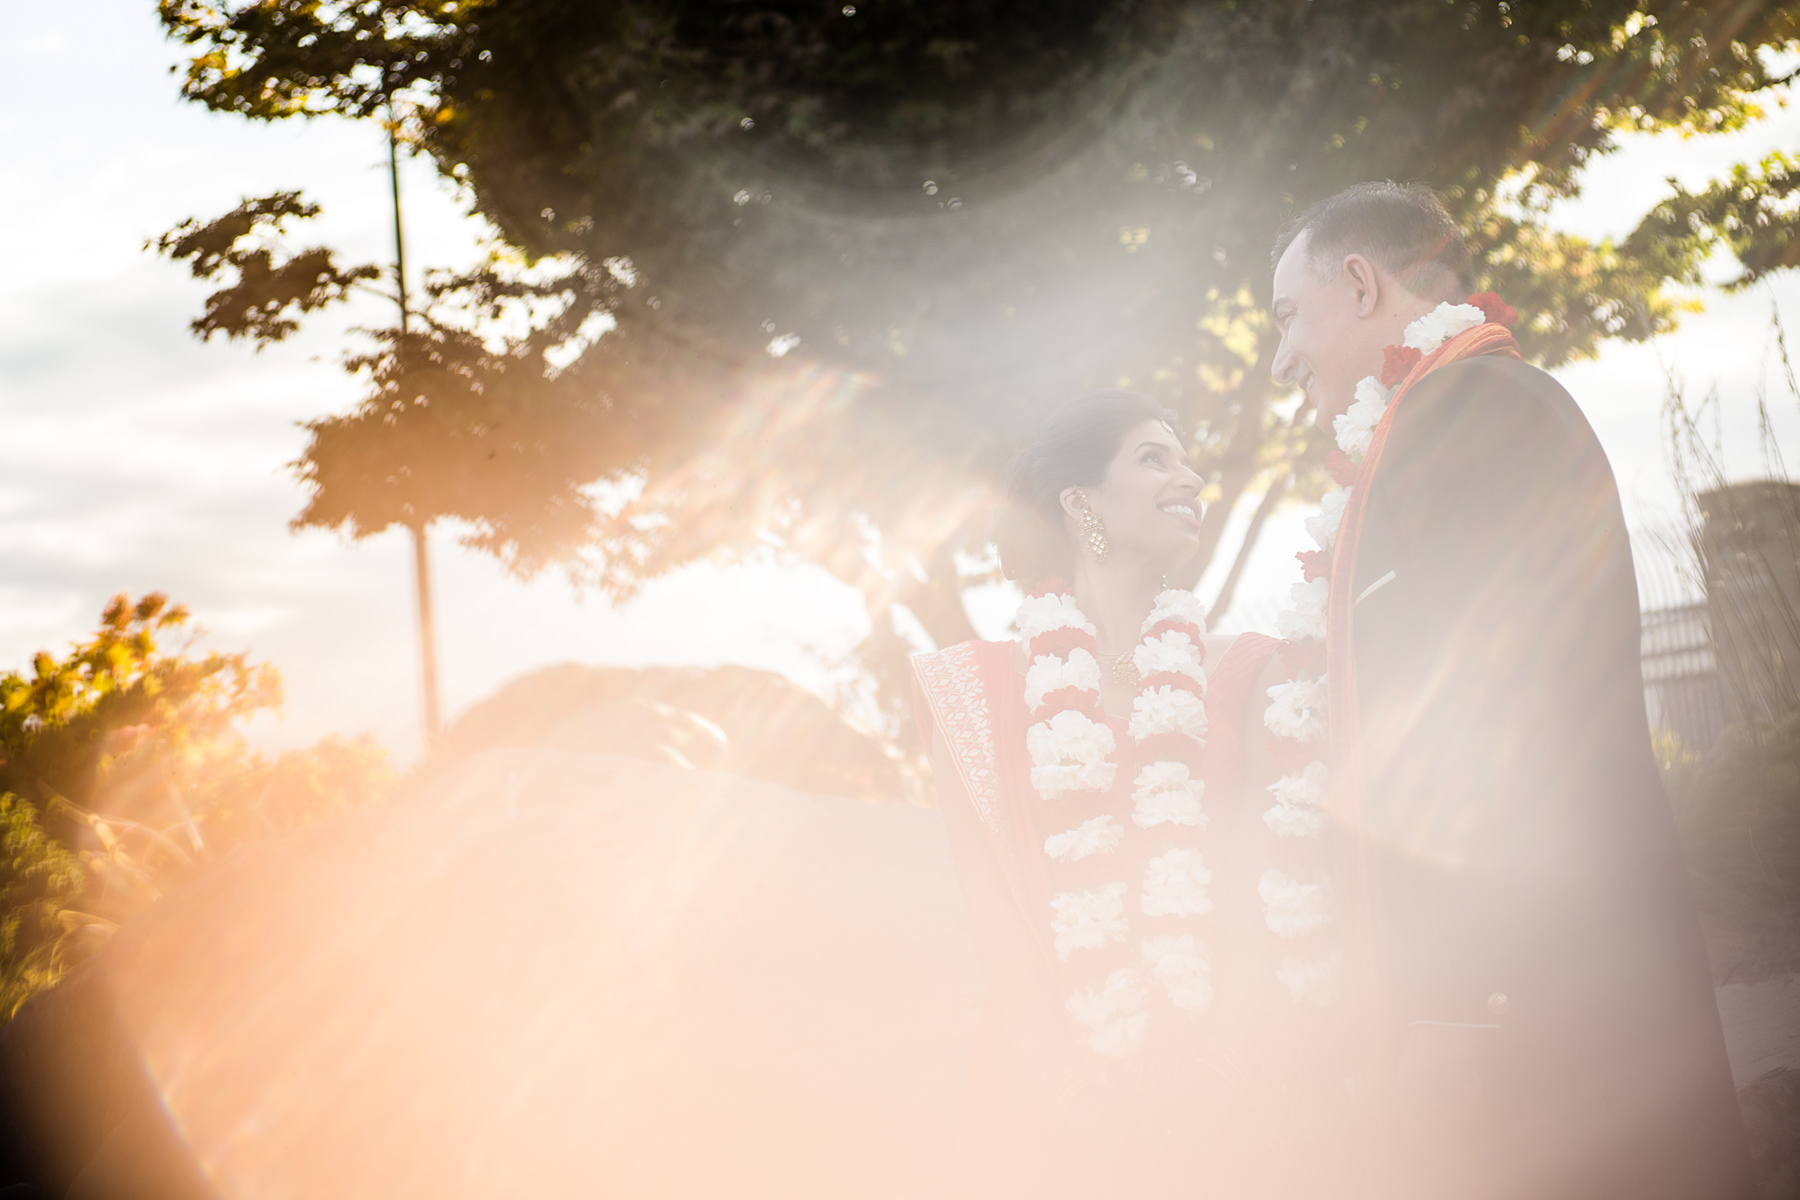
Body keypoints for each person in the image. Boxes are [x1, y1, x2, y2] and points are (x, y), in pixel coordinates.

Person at [1266, 181, 1755, 1198]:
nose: (1279, 359)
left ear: (1360, 283)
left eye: (1286, 316)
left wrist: (1456, 1003)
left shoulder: (1474, 415)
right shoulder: (1442, 421)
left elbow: (1500, 728)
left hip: (1545, 1012)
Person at [910, 390, 1350, 1197]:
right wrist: (1068, 1090)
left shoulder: (1250, 670)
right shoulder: (973, 693)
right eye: (1155, 458)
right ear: (1081, 503)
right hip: (1046, 1088)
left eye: (1187, 458)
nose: (1191, 477)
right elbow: (996, 917)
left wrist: (1221, 1064)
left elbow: (1270, 882)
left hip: (1234, 1078)